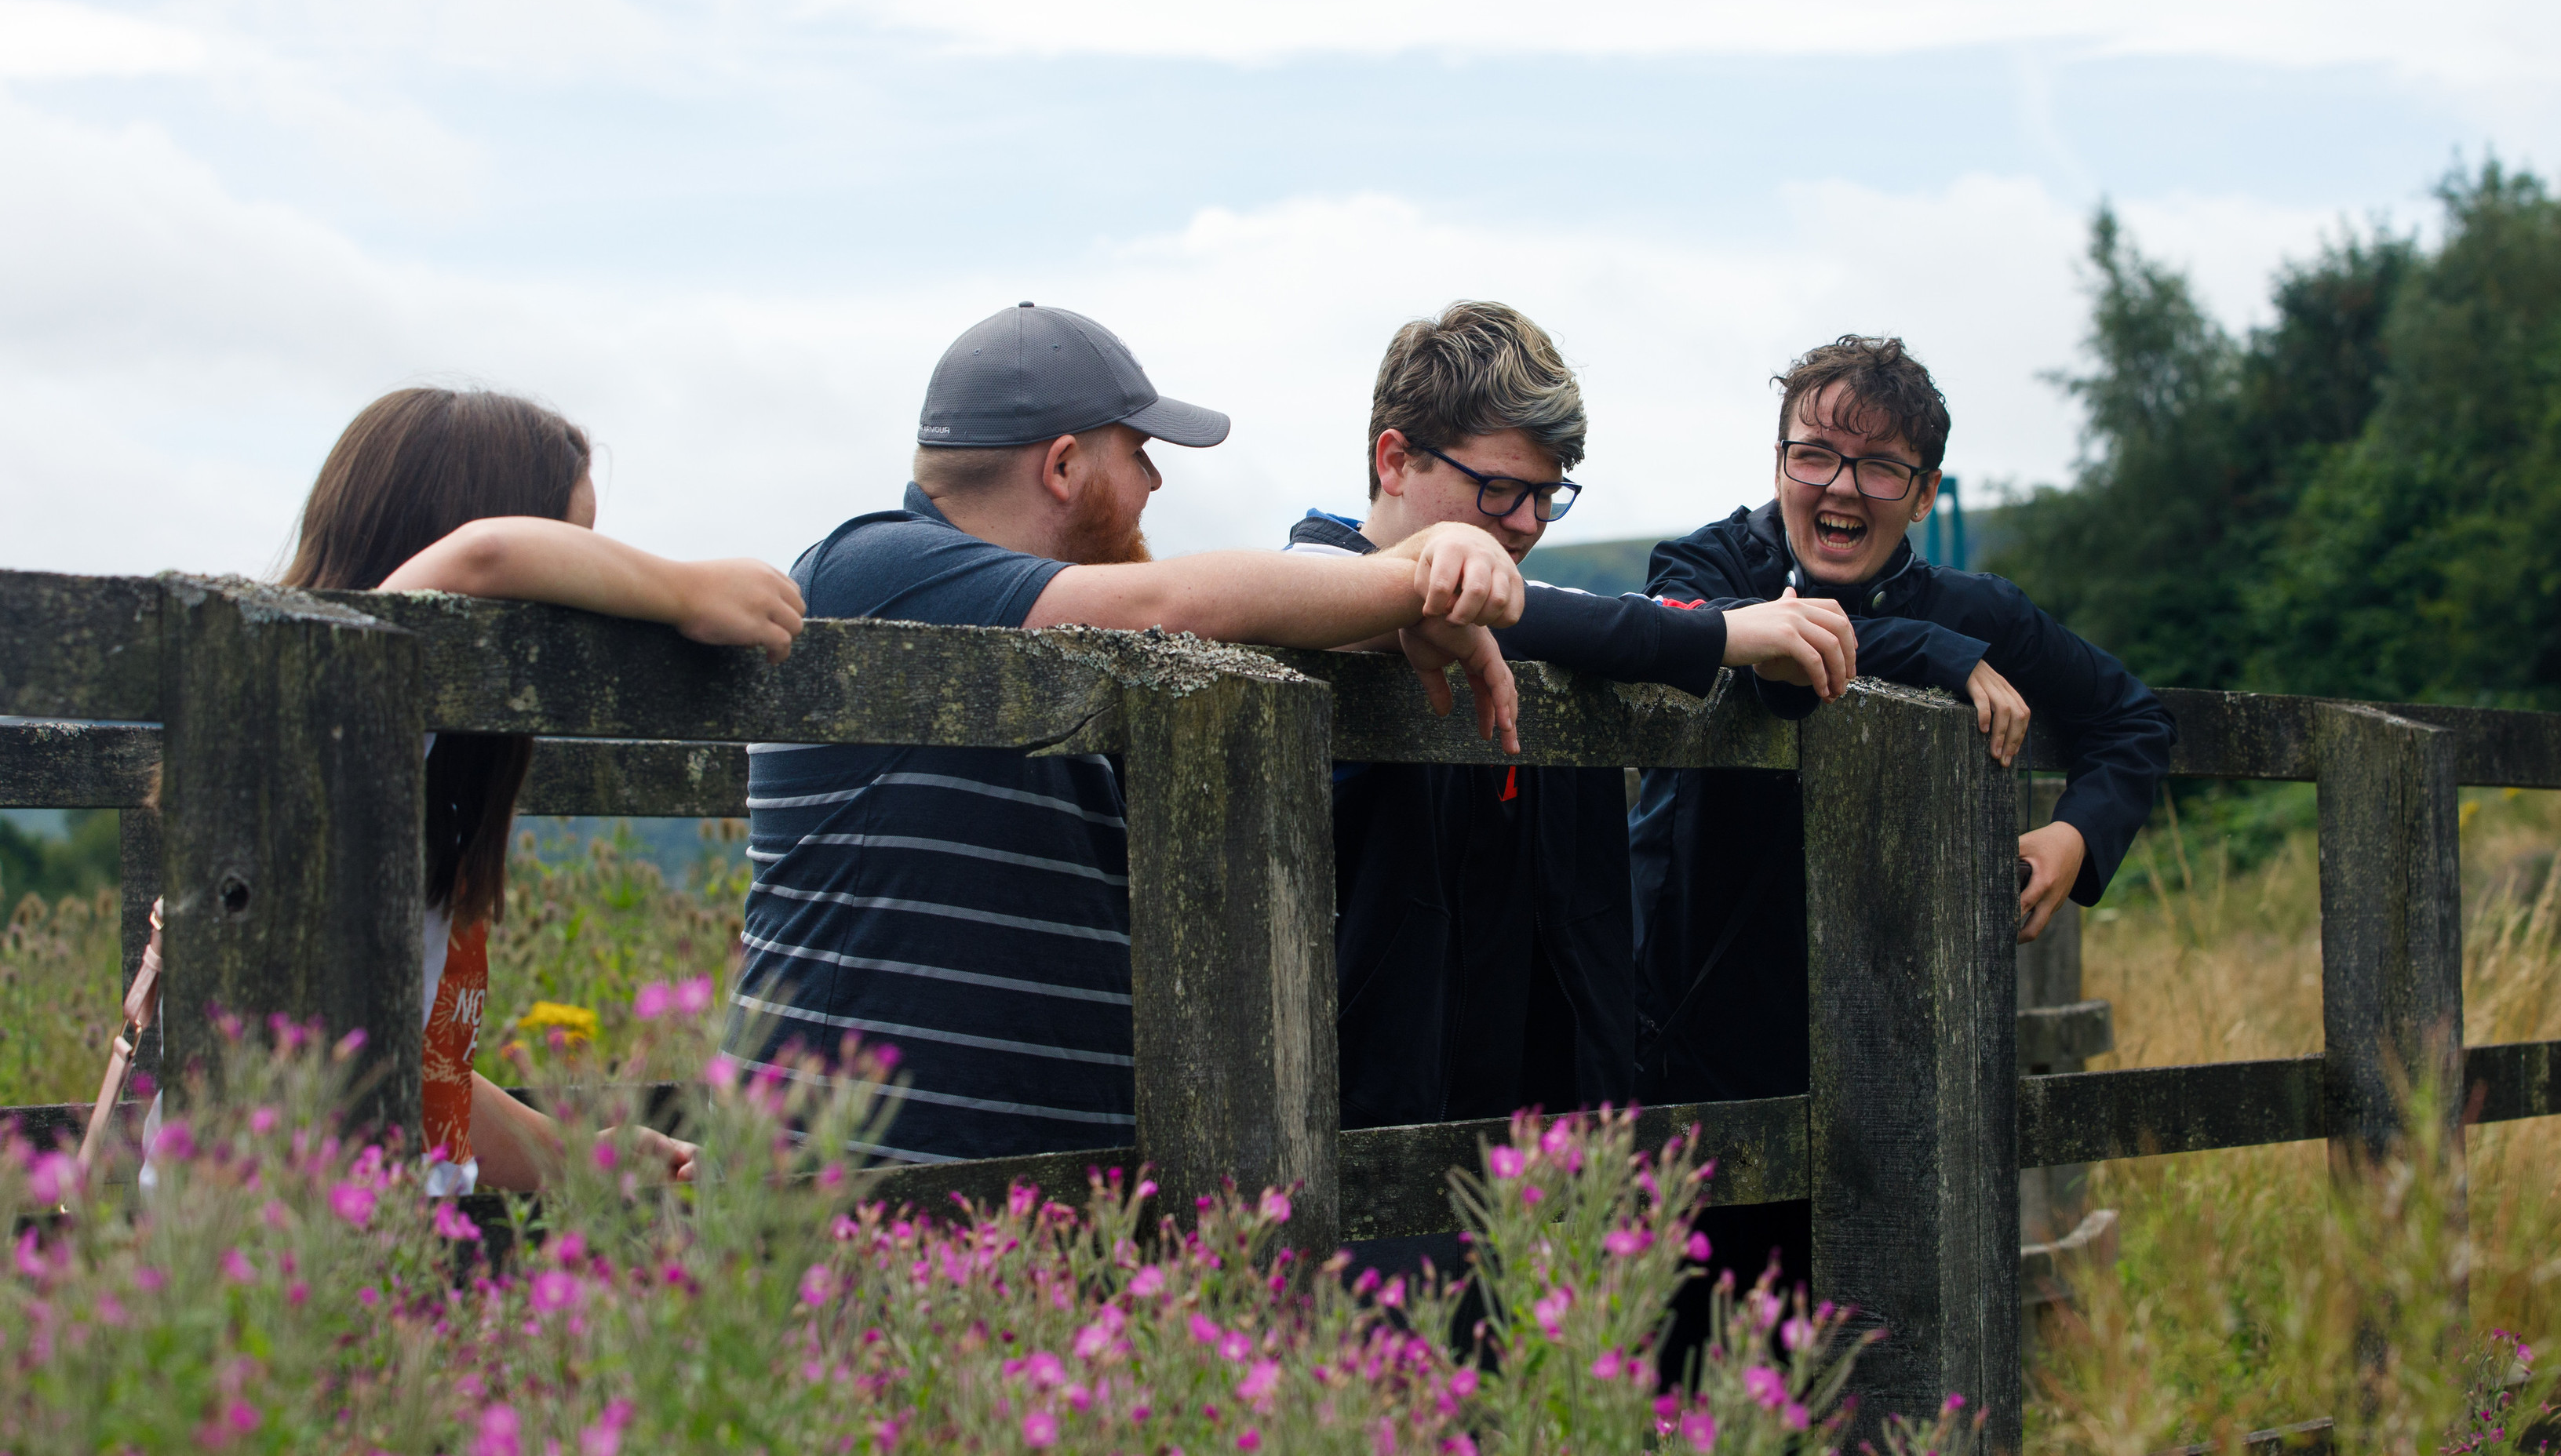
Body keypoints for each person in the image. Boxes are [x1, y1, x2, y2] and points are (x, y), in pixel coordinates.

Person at [723, 302, 1529, 1167]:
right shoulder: (873, 567)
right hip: (857, 1187)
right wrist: (1425, 571)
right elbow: (1171, 608)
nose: (1154, 485)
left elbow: (1229, 630)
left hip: (1023, 1199)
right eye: (1140, 455)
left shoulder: (1056, 638)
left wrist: (1412, 614)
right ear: (1064, 466)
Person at [1631, 333, 2176, 1294]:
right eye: (1815, 456)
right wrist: (1931, 651)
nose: (1840, 489)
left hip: (1892, 1051)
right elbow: (1712, 640)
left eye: (1881, 467)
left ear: (1925, 493)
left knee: (1868, 1354)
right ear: (1780, 463)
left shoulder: (1981, 611)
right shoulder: (1702, 566)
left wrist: (2073, 833)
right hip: (1683, 1039)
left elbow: (2132, 717)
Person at [1284, 301, 1860, 1134]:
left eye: (1547, 497)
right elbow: (1540, 612)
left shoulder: (1537, 634)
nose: (1524, 525)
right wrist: (1719, 633)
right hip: (1362, 1126)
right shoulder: (1309, 588)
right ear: (1396, 459)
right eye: (1500, 490)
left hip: (1537, 1128)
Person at [289, 385, 806, 1193]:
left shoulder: (424, 782)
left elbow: (424, 1072)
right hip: (275, 1264)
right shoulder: (328, 719)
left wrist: (578, 1158)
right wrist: (682, 589)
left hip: (373, 1258)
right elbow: (482, 555)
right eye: (575, 558)